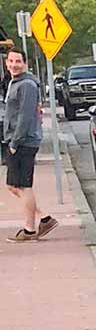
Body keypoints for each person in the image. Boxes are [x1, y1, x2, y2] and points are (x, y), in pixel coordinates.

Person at [2, 45, 55, 241]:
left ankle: (30, 229)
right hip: (17, 139)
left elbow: (24, 116)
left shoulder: (27, 85)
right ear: (6, 62)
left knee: (22, 186)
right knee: (14, 186)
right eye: (11, 61)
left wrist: (15, 142)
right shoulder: (15, 82)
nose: (14, 65)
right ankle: (44, 217)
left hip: (23, 141)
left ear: (25, 64)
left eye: (18, 61)